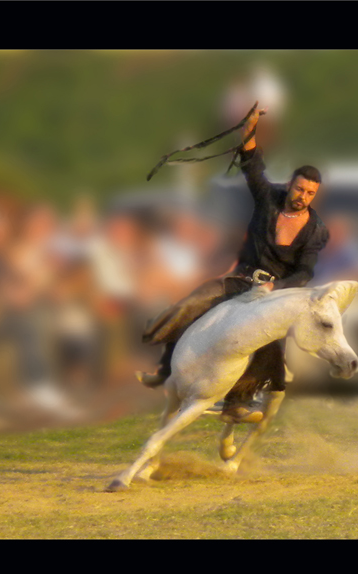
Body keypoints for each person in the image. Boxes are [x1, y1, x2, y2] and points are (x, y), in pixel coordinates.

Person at [137, 104, 330, 423]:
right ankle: (163, 364)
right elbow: (252, 163)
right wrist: (250, 128)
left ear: (314, 195)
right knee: (196, 300)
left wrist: (275, 286)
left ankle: (238, 402)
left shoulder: (317, 230)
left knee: (265, 344)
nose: (303, 195)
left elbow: (305, 272)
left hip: (275, 295)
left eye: (310, 193)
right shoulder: (269, 197)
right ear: (291, 184)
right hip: (241, 278)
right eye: (299, 188)